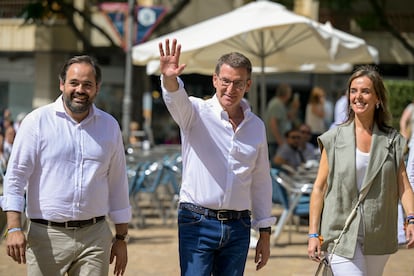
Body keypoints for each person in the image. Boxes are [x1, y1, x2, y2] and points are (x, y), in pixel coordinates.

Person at [0, 55, 131, 276]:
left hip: (95, 237)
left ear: (97, 88)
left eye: (87, 84)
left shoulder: (109, 126)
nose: (80, 89)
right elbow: (15, 178)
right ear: (62, 85)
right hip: (47, 237)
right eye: (74, 83)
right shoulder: (36, 122)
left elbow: (118, 183)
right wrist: (13, 227)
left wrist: (120, 238)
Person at [158, 38, 275, 276]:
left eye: (238, 83)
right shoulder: (195, 112)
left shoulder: (257, 126)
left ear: (248, 85)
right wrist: (169, 78)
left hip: (239, 226)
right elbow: (175, 99)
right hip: (197, 221)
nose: (230, 89)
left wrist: (264, 231)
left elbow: (261, 180)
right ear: (215, 80)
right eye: (225, 81)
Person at [307, 65, 414, 276]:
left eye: (365, 91)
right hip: (340, 231)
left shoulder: (392, 141)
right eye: (353, 91)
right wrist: (313, 233)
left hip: (379, 233)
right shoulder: (334, 138)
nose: (358, 96)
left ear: (378, 99)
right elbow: (319, 188)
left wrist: (411, 218)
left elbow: (404, 187)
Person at [264, 83, 299, 159]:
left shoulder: (280, 104)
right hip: (274, 142)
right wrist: (280, 141)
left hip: (277, 141)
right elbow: (273, 124)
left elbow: (288, 117)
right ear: (286, 93)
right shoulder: (276, 104)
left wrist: (294, 108)